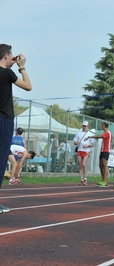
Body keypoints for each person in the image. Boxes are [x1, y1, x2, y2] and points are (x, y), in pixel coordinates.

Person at [0, 43, 32, 214]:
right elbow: (28, 86)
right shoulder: (7, 73)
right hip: (4, 120)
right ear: (6, 56)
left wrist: (8, 61)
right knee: (1, 160)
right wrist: (22, 67)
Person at [85, 122, 112, 188]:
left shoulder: (107, 133)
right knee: (100, 165)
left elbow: (99, 136)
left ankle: (105, 182)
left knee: (104, 165)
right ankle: (102, 180)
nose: (101, 127)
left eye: (102, 125)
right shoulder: (107, 133)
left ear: (104, 126)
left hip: (106, 151)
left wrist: (90, 136)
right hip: (102, 150)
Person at [74, 121, 95, 185]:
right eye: (83, 126)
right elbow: (74, 141)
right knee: (80, 165)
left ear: (88, 126)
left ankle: (85, 178)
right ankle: (81, 179)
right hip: (80, 150)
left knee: (83, 164)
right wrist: (77, 143)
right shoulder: (78, 133)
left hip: (86, 151)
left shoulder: (90, 134)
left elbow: (92, 144)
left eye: (85, 126)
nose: (84, 127)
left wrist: (87, 146)